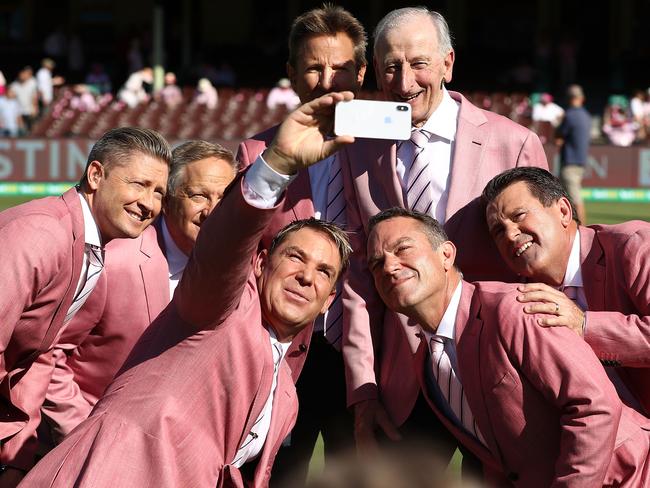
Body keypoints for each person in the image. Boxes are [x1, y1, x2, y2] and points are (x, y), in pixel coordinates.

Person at [20, 91, 355, 488]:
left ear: (329, 300)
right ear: (260, 264)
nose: (305, 277)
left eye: (323, 272)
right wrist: (276, 166)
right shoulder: (224, 307)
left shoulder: (287, 396)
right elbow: (223, 247)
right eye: (296, 258)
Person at [338, 6, 548, 459]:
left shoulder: (514, 143)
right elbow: (358, 278)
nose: (405, 80)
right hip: (403, 382)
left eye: (419, 63)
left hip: (499, 372)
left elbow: (541, 267)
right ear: (375, 69)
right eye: (391, 66)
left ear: (448, 63)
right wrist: (364, 391)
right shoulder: (360, 148)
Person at [366, 207, 650, 487]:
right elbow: (501, 461)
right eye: (376, 263)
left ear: (446, 254)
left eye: (403, 249)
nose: (389, 267)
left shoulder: (514, 309)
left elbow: (595, 407)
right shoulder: (427, 364)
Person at [237, 5, 366, 483]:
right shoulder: (258, 153)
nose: (327, 79)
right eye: (313, 67)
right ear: (291, 74)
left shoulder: (387, 147)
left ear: (361, 71)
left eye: (341, 68)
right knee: (276, 472)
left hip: (363, 350)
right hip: (281, 345)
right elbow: (242, 248)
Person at [0, 127, 170, 486]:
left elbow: (37, 357)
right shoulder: (42, 236)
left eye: (159, 192)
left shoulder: (90, 248)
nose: (150, 204)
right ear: (96, 175)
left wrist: (14, 458)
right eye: (138, 184)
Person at [39, 141, 238, 443]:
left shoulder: (241, 270)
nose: (212, 211)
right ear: (168, 201)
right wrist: (84, 435)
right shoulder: (114, 263)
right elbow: (47, 355)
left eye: (224, 198)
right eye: (198, 195)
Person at [482, 166, 650, 416]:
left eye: (518, 216)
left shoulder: (635, 245)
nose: (510, 234)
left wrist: (584, 325)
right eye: (498, 230)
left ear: (563, 211)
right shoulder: (517, 299)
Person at [556, 84, 590, 223]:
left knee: (574, 200)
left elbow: (558, 138)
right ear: (582, 98)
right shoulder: (586, 115)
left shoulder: (569, 115)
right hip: (580, 162)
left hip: (570, 162)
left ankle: (583, 231)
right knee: (569, 199)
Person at [9, 67, 38, 132]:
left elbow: (34, 97)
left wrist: (35, 108)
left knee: (32, 128)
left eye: (24, 74)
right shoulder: (14, 85)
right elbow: (11, 99)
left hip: (30, 110)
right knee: (22, 129)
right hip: (19, 112)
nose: (23, 76)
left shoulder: (32, 83)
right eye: (21, 74)